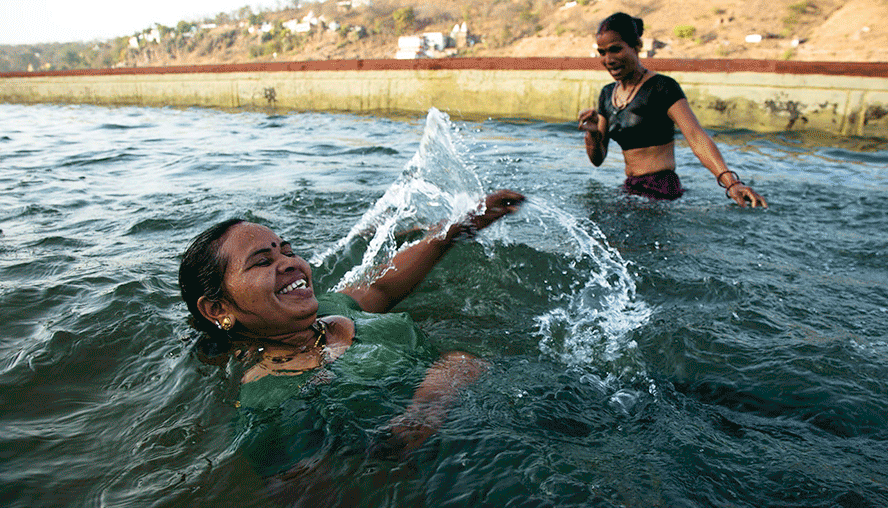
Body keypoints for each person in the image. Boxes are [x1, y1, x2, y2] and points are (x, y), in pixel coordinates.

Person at [178, 189, 525, 462]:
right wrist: (437, 393)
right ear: (217, 308)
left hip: (513, 413)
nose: (291, 264)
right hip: (473, 462)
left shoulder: (327, 309)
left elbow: (381, 285)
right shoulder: (272, 403)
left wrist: (459, 226)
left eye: (287, 251)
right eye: (263, 262)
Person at [578, 12, 767, 207]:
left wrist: (732, 184)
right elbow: (598, 160)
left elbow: (696, 136)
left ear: (637, 47)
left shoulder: (662, 87)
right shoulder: (607, 94)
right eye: (602, 52)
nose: (608, 60)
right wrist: (592, 135)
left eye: (615, 50)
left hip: (661, 189)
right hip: (630, 189)